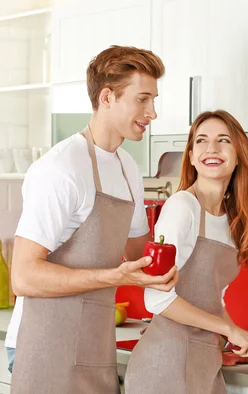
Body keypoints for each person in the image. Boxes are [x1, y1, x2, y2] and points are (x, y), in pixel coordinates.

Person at [7, 46, 178, 394]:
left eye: (154, 100)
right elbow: (23, 276)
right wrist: (113, 276)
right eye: (143, 99)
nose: (153, 113)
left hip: (96, 344)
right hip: (45, 346)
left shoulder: (128, 168)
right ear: (107, 97)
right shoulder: (60, 168)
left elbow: (136, 256)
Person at [124, 110, 248, 394]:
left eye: (223, 140)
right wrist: (230, 331)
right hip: (164, 367)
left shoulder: (233, 221)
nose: (211, 149)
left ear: (239, 154)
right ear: (190, 156)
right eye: (201, 141)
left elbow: (212, 301)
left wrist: (247, 346)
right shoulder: (182, 206)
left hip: (204, 366)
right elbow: (156, 299)